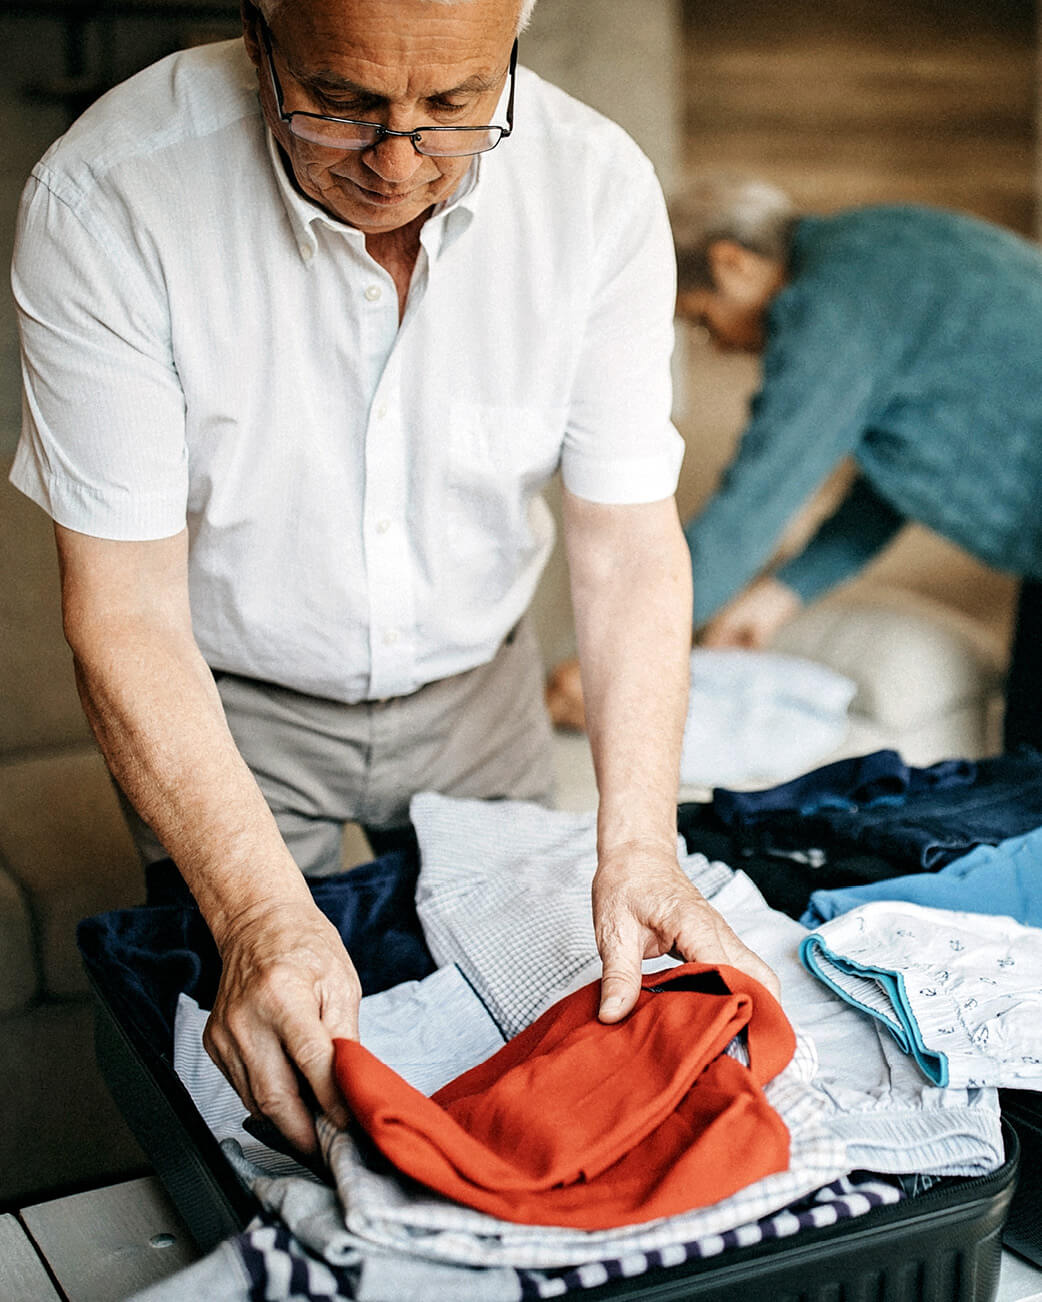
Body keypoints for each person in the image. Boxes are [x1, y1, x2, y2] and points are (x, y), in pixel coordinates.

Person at [10, 2, 777, 1155]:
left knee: (538, 1051)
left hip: (484, 697)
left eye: (456, 106)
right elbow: (123, 609)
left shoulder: (595, 190)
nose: (398, 162)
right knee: (277, 1098)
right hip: (229, 713)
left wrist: (638, 846)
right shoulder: (107, 197)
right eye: (345, 103)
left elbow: (623, 544)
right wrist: (263, 913)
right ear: (257, 33)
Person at [549, 174, 1042, 751]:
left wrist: (618, 655)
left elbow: (751, 507)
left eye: (705, 321)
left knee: (1028, 777)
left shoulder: (828, 302)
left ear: (733, 263)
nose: (722, 345)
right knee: (1026, 759)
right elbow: (895, 484)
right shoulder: (871, 252)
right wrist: (782, 593)